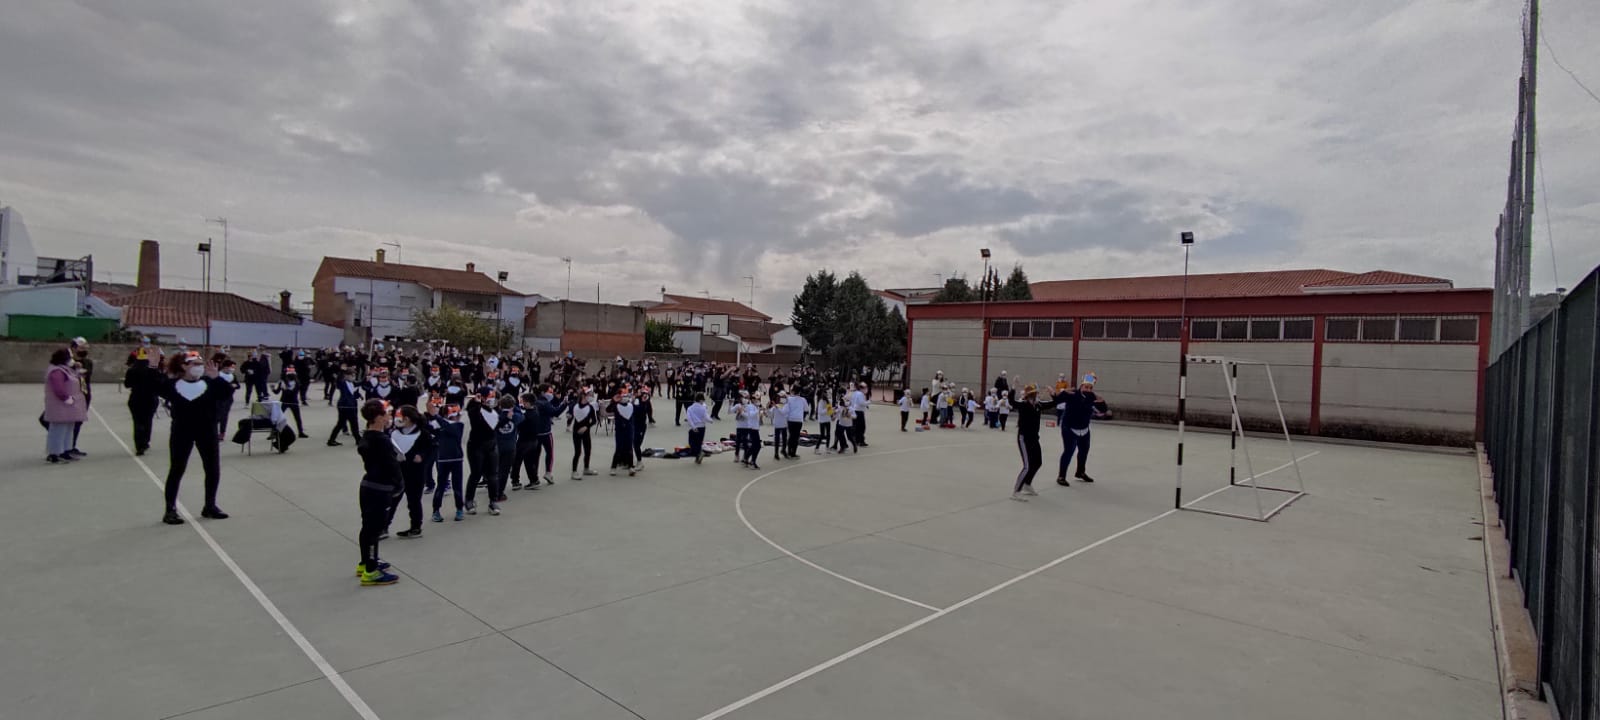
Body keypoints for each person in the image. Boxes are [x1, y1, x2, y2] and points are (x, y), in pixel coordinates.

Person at [157, 353, 233, 524]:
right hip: (181, 431)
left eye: (201, 363)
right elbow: (154, 386)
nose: (200, 366)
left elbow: (227, 393)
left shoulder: (209, 383)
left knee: (212, 468)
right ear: (184, 366)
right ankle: (170, 510)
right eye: (196, 363)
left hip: (207, 431)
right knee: (177, 469)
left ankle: (210, 506)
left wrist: (217, 378)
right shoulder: (173, 385)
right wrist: (154, 368)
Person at [355, 399, 402, 586]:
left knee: (367, 527)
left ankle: (366, 561)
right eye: (386, 414)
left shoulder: (367, 437)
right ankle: (371, 571)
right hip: (380, 489)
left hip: (367, 486)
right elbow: (393, 466)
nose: (389, 417)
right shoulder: (382, 441)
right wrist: (398, 485)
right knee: (374, 529)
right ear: (379, 418)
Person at [387, 405, 434, 539]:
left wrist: (422, 456)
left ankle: (415, 527)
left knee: (413, 501)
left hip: (416, 473)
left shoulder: (423, 433)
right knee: (392, 500)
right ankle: (384, 527)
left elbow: (430, 448)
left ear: (407, 419)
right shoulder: (394, 433)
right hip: (398, 472)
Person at [1055, 374, 1110, 486]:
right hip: (1069, 427)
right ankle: (1061, 476)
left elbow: (1103, 410)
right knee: (1069, 451)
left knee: (1084, 451)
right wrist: (1063, 392)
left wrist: (1102, 401)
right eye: (1086, 387)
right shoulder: (1073, 394)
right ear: (1081, 386)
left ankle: (1080, 472)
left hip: (1084, 428)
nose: (1088, 390)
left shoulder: (1092, 397)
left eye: (1090, 388)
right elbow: (1057, 399)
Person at [514, 385, 566, 489]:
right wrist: (565, 404)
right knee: (549, 453)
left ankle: (534, 476)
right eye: (549, 391)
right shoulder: (544, 403)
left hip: (534, 435)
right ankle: (548, 472)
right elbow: (555, 412)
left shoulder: (535, 404)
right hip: (545, 433)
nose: (551, 393)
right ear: (543, 392)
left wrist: (557, 399)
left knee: (534, 456)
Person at [463, 390, 504, 516]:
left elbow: (498, 425)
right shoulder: (475, 410)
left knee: (493, 475)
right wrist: (477, 401)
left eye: (493, 397)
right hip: (476, 446)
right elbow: (473, 417)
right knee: (476, 473)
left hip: (491, 445)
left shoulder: (496, 410)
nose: (492, 400)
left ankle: (493, 501)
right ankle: (469, 500)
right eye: (489, 397)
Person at [43, 349, 86, 464]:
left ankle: (65, 451)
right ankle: (54, 453)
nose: (72, 359)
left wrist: (77, 369)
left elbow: (75, 380)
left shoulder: (65, 370)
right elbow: (58, 388)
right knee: (58, 430)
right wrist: (67, 399)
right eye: (70, 357)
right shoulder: (56, 371)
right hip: (60, 406)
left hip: (68, 407)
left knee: (68, 429)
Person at [1010, 384, 1050, 502]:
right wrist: (1013, 388)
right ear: (1029, 396)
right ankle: (1016, 491)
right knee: (1027, 466)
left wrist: (1054, 393)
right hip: (1024, 439)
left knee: (1038, 462)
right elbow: (1011, 401)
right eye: (1035, 394)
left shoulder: (1038, 405)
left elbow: (1053, 403)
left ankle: (1027, 484)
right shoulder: (1023, 405)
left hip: (1034, 438)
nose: (1037, 395)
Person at [429, 404, 466, 522]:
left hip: (456, 459)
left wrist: (436, 417)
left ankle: (459, 509)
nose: (459, 416)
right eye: (456, 414)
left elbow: (452, 430)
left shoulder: (459, 425)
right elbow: (430, 432)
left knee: (457, 486)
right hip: (442, 459)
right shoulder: (438, 424)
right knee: (441, 486)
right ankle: (436, 510)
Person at [124, 349, 164, 456]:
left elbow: (127, 384)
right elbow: (159, 383)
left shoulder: (132, 370)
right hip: (150, 398)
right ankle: (145, 441)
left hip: (135, 398)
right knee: (148, 420)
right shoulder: (153, 370)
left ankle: (139, 445)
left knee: (137, 422)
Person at [67, 337, 93, 456]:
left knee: (78, 422)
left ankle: (71, 446)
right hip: (70, 394)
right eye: (81, 347)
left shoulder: (87, 362)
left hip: (84, 393)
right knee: (65, 422)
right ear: (73, 348)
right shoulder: (66, 361)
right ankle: (63, 444)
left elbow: (85, 376)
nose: (83, 350)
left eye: (85, 348)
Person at [328, 365, 362, 446]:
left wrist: (359, 395)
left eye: (354, 375)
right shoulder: (342, 383)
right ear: (346, 375)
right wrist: (341, 371)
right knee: (341, 423)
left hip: (352, 406)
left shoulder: (354, 383)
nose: (353, 377)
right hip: (344, 406)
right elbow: (338, 380)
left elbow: (356, 391)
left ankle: (358, 439)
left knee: (354, 423)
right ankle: (331, 440)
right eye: (352, 375)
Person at [569, 390, 598, 479]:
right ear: (583, 396)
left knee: (588, 450)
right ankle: (574, 472)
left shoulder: (590, 407)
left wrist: (586, 427)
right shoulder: (575, 406)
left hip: (586, 431)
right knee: (577, 452)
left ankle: (586, 468)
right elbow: (570, 414)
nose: (591, 397)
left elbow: (594, 420)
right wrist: (568, 416)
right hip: (576, 431)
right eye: (589, 395)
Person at [274, 367, 310, 438]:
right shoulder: (283, 382)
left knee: (297, 418)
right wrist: (273, 389)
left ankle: (300, 432)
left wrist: (284, 388)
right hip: (286, 402)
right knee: (278, 417)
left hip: (291, 402)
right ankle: (274, 433)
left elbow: (291, 393)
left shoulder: (296, 383)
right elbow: (277, 392)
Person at [610, 390, 637, 476]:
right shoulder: (616, 406)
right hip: (620, 430)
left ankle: (631, 467)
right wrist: (614, 400)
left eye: (626, 396)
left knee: (629, 448)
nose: (624, 398)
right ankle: (613, 467)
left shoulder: (631, 406)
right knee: (619, 448)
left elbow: (640, 410)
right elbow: (608, 409)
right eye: (623, 396)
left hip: (629, 429)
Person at [685, 392, 710, 464]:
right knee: (699, 443)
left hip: (694, 427)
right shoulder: (703, 408)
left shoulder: (690, 408)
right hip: (702, 427)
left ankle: (697, 455)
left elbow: (689, 418)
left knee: (692, 442)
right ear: (701, 400)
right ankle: (698, 455)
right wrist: (710, 420)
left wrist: (693, 426)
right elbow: (706, 417)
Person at [782, 389, 808, 458]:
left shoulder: (789, 399)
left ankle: (789, 451)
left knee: (791, 436)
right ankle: (793, 453)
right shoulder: (803, 400)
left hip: (791, 420)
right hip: (799, 420)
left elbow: (785, 410)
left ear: (793, 392)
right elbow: (806, 409)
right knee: (796, 437)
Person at [849, 382, 870, 447]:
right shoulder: (860, 394)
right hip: (859, 412)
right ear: (862, 388)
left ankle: (856, 440)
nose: (866, 389)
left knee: (856, 427)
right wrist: (868, 402)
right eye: (865, 388)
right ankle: (861, 441)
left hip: (854, 411)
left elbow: (851, 402)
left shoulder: (854, 393)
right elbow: (861, 403)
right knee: (861, 427)